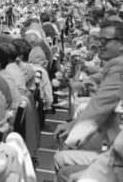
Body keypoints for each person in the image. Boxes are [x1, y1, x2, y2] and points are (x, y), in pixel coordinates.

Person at [54, 19, 123, 181]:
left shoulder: (119, 68)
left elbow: (99, 107)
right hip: (114, 148)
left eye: (105, 40)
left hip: (117, 154)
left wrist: (72, 134)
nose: (100, 44)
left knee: (66, 170)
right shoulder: (115, 65)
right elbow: (99, 80)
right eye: (99, 40)